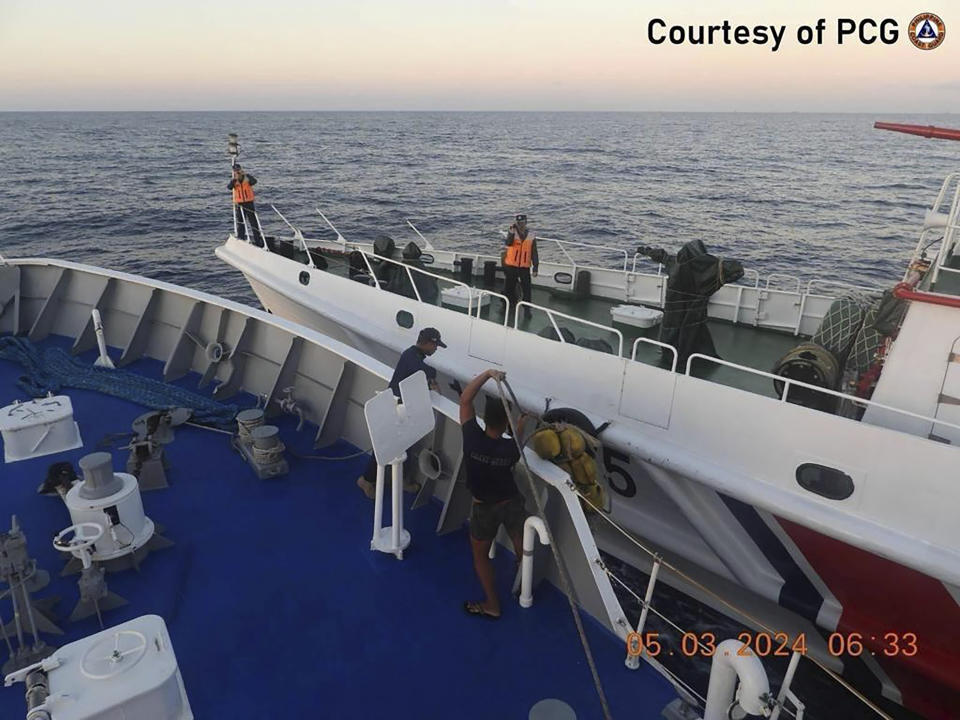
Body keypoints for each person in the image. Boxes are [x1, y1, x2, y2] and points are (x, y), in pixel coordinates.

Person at [460, 368, 527, 620]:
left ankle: (492, 605)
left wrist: (487, 375)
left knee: (480, 557)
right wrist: (521, 423)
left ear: (484, 418)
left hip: (484, 507)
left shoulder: (471, 438)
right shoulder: (511, 449)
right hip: (510, 501)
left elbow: (465, 399)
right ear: (506, 423)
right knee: (519, 539)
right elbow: (518, 437)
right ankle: (523, 575)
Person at [356, 327, 446, 498]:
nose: (436, 349)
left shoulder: (417, 357)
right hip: (394, 408)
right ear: (427, 343)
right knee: (384, 446)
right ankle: (366, 480)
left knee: (408, 444)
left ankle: (404, 480)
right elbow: (423, 371)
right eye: (435, 346)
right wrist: (432, 378)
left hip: (406, 409)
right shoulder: (410, 355)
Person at [502, 214, 539, 320]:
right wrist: (511, 233)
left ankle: (527, 310)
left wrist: (535, 267)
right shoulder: (512, 232)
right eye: (518, 223)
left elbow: (534, 252)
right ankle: (507, 307)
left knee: (527, 289)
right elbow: (508, 244)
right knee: (509, 288)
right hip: (511, 266)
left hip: (524, 267)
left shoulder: (531, 235)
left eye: (522, 223)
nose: (520, 225)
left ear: (526, 222)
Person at [228, 165, 262, 246]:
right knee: (241, 222)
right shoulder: (234, 180)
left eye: (238, 170)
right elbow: (229, 187)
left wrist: (246, 176)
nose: (237, 172)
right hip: (240, 204)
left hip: (249, 202)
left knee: (253, 222)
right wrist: (234, 180)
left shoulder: (247, 177)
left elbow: (254, 181)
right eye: (235, 170)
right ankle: (241, 238)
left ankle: (258, 240)